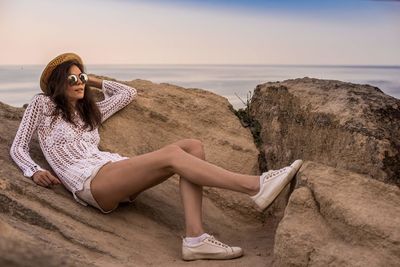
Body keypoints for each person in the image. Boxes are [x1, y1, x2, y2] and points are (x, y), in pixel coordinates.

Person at [10, 52, 303, 261]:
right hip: (90, 183)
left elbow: (128, 93)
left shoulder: (89, 112)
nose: (79, 82)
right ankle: (255, 186)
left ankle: (195, 238)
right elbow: (18, 146)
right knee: (174, 154)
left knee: (192, 146)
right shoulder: (43, 105)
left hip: (114, 170)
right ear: (57, 84)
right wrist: (32, 170)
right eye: (72, 78)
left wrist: (95, 80)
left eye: (81, 76)